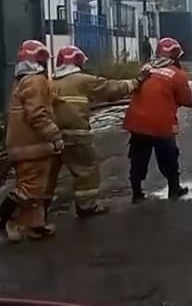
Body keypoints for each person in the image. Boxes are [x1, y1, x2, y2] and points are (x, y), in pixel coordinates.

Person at [46, 45, 144, 218]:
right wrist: (136, 82)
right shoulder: (82, 80)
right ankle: (86, 206)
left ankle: (38, 210)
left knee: (49, 174)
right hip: (76, 134)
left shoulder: (50, 83)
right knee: (86, 170)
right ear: (76, 62)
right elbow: (111, 89)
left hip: (52, 136)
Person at [123, 37, 192, 204]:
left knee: (138, 157)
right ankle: (174, 189)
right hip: (161, 124)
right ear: (176, 56)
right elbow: (187, 100)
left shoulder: (146, 69)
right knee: (169, 156)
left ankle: (136, 193)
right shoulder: (177, 75)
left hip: (137, 122)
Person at [0, 40, 63, 242]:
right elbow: (37, 114)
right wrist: (54, 135)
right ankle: (5, 219)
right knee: (29, 188)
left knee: (36, 188)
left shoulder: (20, 81)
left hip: (23, 144)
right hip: (32, 145)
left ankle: (35, 225)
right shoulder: (36, 81)